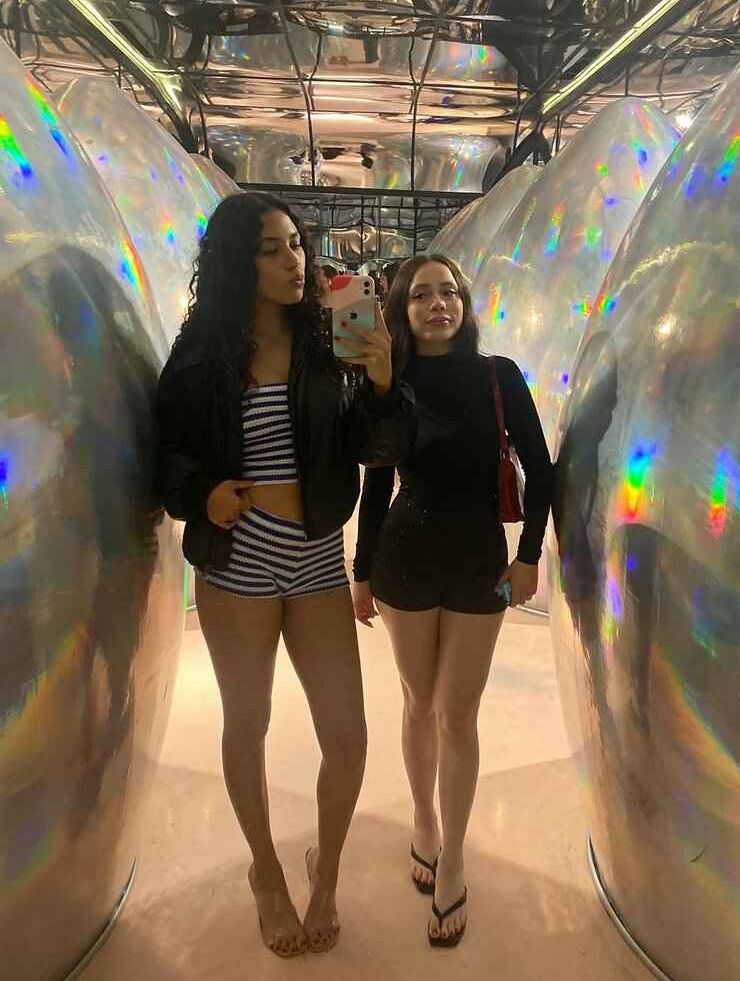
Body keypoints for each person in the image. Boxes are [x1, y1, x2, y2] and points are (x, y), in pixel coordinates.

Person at [156, 193, 415, 957]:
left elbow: (375, 448)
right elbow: (165, 453)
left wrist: (380, 382)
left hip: (314, 557)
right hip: (237, 558)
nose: (294, 260)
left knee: (348, 736)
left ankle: (324, 872)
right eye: (271, 249)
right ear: (238, 262)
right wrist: (200, 492)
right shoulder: (200, 354)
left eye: (297, 244)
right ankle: (266, 873)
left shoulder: (327, 345)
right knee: (249, 723)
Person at [352, 253, 553, 948]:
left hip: (478, 560)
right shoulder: (391, 380)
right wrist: (360, 570)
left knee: (457, 715)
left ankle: (455, 856)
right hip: (403, 556)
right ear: (402, 310)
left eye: (449, 292)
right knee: (418, 702)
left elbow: (541, 470)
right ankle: (424, 821)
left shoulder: (498, 376)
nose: (437, 303)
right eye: (421, 295)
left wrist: (530, 555)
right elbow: (377, 479)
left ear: (464, 304)